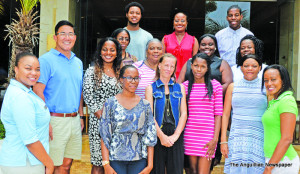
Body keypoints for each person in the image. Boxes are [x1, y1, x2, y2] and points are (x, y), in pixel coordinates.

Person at [33, 20, 84, 174]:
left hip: (74, 120)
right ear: (55, 37)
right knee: (51, 165)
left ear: (74, 38)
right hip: (54, 120)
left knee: (67, 165)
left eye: (70, 34)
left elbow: (79, 91)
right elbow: (37, 90)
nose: (67, 37)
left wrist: (81, 116)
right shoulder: (46, 60)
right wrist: (45, 120)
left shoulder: (78, 62)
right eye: (62, 34)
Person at [0, 52, 54, 174]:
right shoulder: (21, 97)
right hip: (23, 163)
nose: (34, 73)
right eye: (28, 68)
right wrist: (49, 164)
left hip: (26, 161)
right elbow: (30, 140)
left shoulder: (24, 91)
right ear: (16, 69)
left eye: (37, 69)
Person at [99, 65, 157, 174]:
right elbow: (104, 135)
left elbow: (150, 136)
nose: (133, 81)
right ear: (121, 79)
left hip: (139, 159)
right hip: (116, 158)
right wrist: (106, 164)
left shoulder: (145, 105)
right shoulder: (110, 103)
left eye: (136, 78)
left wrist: (150, 165)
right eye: (129, 77)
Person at [221, 54, 267, 174]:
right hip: (237, 138)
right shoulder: (233, 87)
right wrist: (223, 140)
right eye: (246, 66)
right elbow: (225, 115)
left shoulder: (266, 88)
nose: (250, 69)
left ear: (260, 68)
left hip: (259, 137)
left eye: (254, 66)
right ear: (241, 68)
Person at [83, 37, 122, 174]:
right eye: (105, 49)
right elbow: (88, 96)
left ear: (117, 53)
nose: (108, 53)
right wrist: (102, 117)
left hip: (118, 125)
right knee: (99, 163)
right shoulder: (92, 71)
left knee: (115, 163)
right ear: (100, 52)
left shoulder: (120, 73)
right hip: (98, 123)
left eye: (112, 50)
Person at [145, 53, 187, 174]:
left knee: (176, 171)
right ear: (159, 66)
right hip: (157, 135)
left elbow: (183, 113)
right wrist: (161, 136)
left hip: (176, 134)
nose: (169, 69)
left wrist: (176, 135)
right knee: (156, 170)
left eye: (172, 66)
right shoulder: (151, 88)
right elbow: (150, 116)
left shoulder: (180, 88)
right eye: (166, 65)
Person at [182, 53, 223, 174]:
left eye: (202, 66)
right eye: (196, 65)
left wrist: (215, 139)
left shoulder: (216, 86)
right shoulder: (184, 87)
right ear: (191, 66)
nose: (198, 69)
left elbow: (218, 114)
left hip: (208, 135)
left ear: (208, 68)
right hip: (190, 134)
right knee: (192, 171)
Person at [262, 65, 300, 174]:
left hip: (283, 161)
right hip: (273, 159)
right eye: (266, 80)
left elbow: (287, 139)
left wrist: (269, 167)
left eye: (273, 79)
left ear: (283, 80)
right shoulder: (275, 101)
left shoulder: (287, 101)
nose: (269, 83)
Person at [162, 12, 199, 78]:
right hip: (168, 75)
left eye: (182, 21)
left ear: (187, 23)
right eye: (176, 21)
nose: (179, 23)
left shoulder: (193, 40)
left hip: (187, 75)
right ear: (173, 23)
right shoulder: (165, 39)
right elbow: (161, 59)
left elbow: (195, 62)